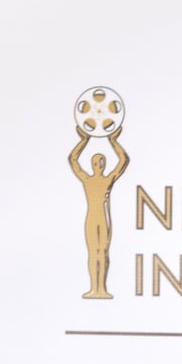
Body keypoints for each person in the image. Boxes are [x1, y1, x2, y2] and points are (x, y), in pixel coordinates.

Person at [68, 124, 128, 299]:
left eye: (102, 161)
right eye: (96, 161)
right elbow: (73, 159)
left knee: (103, 252)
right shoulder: (86, 180)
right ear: (92, 164)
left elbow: (123, 160)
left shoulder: (109, 179)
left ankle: (102, 288)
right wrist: (84, 140)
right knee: (92, 252)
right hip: (91, 218)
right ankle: (94, 288)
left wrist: (113, 140)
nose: (99, 164)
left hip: (104, 219)